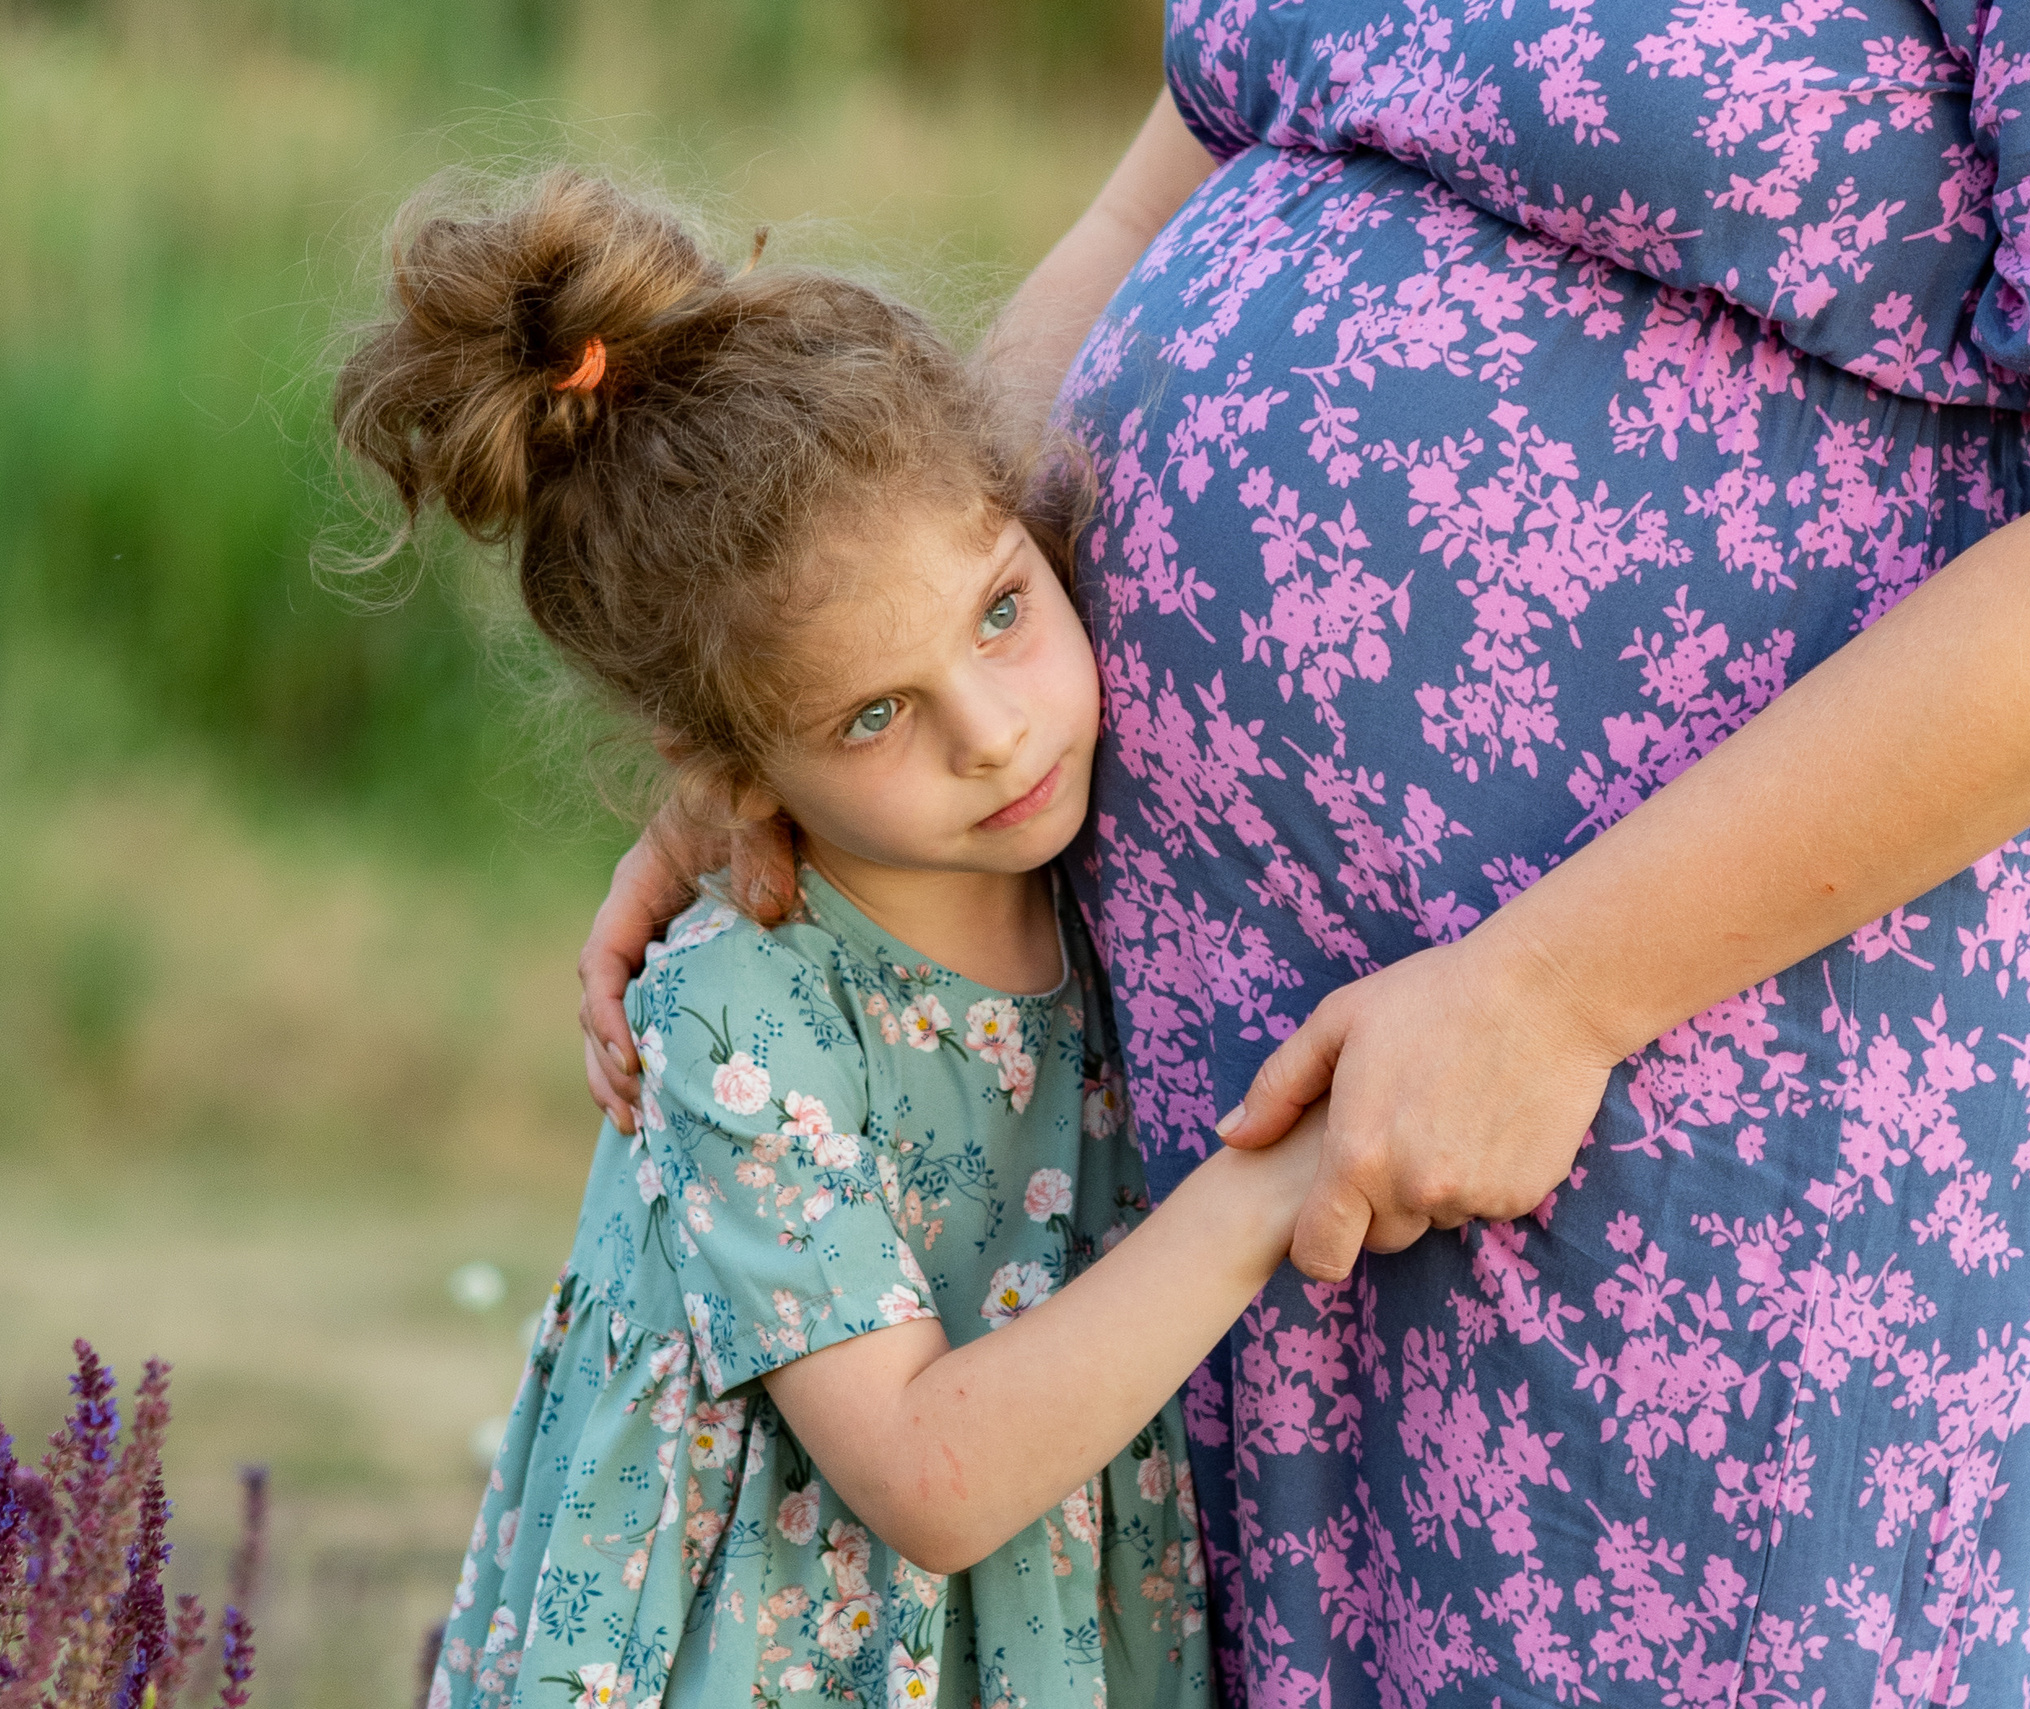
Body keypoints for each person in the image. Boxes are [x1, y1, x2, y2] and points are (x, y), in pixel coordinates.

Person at [583, 3, 2030, 1701]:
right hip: (1212, 1072)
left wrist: (1551, 992)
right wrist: (812, 699)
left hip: (1712, 1095)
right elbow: (1191, 163)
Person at [336, 166, 1332, 1709]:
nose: (998, 737)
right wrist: (1270, 1188)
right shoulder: (744, 1016)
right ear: (726, 771)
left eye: (1003, 608)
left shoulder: (1107, 878)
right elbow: (929, 1471)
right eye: (876, 714)